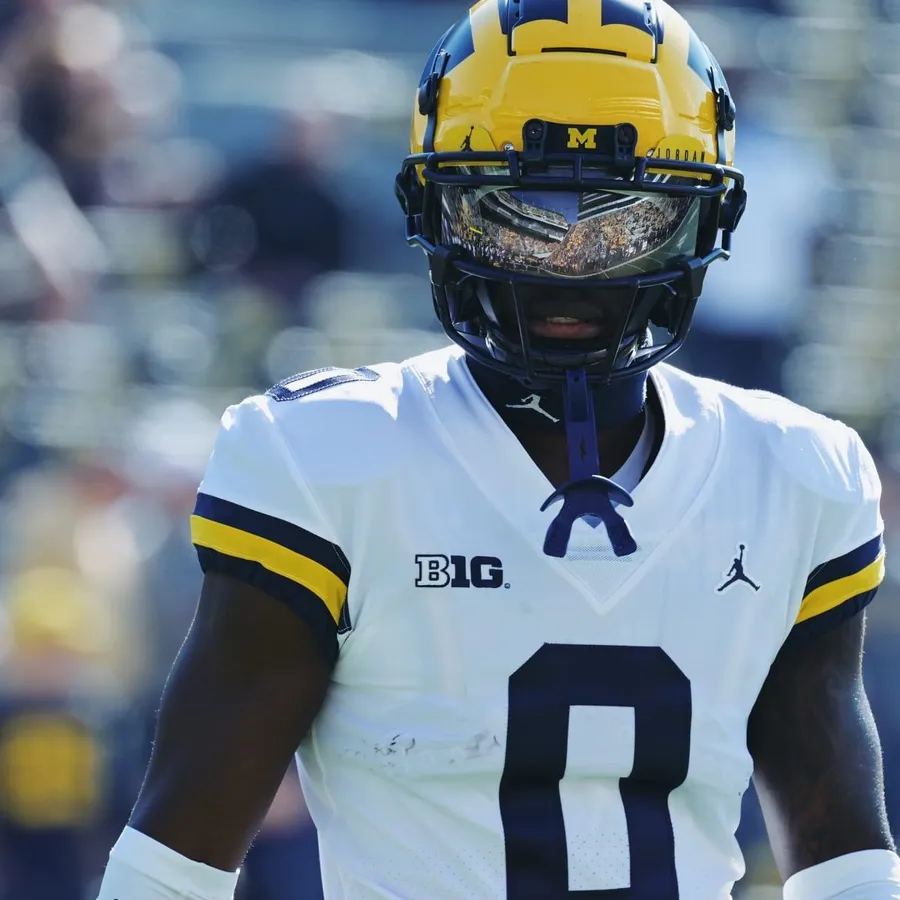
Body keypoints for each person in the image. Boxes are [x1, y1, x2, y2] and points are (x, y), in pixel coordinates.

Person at [96, 2, 898, 898]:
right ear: (430, 206)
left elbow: (849, 871)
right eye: (511, 215)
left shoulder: (795, 474)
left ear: (708, 220)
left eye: (625, 222)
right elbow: (175, 865)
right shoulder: (326, 459)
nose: (569, 267)